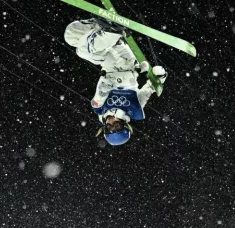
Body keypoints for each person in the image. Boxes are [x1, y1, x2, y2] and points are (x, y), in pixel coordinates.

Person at [64, 18, 167, 146]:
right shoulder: (134, 109)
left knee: (71, 36)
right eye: (116, 125)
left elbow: (102, 91)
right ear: (125, 124)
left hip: (108, 63)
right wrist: (158, 78)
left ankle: (100, 26)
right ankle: (111, 32)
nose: (111, 122)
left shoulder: (100, 108)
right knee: (85, 51)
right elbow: (148, 90)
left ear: (104, 128)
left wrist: (102, 95)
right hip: (124, 63)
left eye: (109, 127)